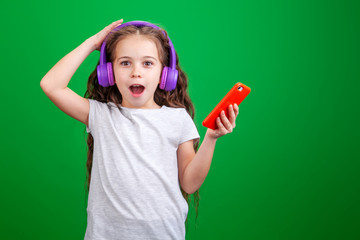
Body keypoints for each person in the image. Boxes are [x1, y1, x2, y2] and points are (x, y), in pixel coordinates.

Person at [40, 19, 239, 240]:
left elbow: (190, 183)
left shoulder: (177, 119)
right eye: (125, 63)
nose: (136, 72)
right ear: (109, 72)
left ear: (165, 74)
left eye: (148, 63)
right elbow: (51, 85)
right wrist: (93, 43)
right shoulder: (101, 115)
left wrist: (211, 138)